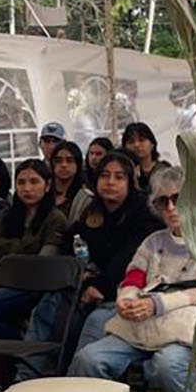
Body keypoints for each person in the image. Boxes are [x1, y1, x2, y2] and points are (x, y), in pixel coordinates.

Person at [67, 165, 196, 392]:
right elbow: (132, 278)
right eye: (163, 201)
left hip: (183, 330)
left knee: (168, 365)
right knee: (89, 358)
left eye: (178, 199)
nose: (171, 208)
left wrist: (158, 304)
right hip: (140, 324)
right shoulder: (153, 241)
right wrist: (125, 300)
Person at [25, 151, 161, 373]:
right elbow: (71, 244)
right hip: (88, 287)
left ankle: (73, 388)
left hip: (126, 293)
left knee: (93, 322)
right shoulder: (93, 210)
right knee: (47, 305)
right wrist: (81, 274)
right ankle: (27, 378)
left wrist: (100, 285)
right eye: (104, 176)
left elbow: (129, 257)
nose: (110, 182)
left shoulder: (143, 214)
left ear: (130, 182)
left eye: (119, 177)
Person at [0, 158, 68, 340]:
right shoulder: (7, 215)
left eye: (34, 182)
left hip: (33, 287)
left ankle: (21, 342)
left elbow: (42, 264)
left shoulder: (55, 218)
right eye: (21, 182)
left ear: (47, 186)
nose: (27, 188)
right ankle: (16, 339)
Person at [122, 122, 170, 192]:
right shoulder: (122, 171)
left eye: (141, 140)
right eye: (131, 141)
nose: (136, 145)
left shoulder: (164, 170)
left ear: (152, 144)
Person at [50, 140, 90, 220]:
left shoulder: (85, 197)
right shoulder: (44, 191)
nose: (64, 165)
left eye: (69, 160)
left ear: (78, 164)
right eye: (58, 161)